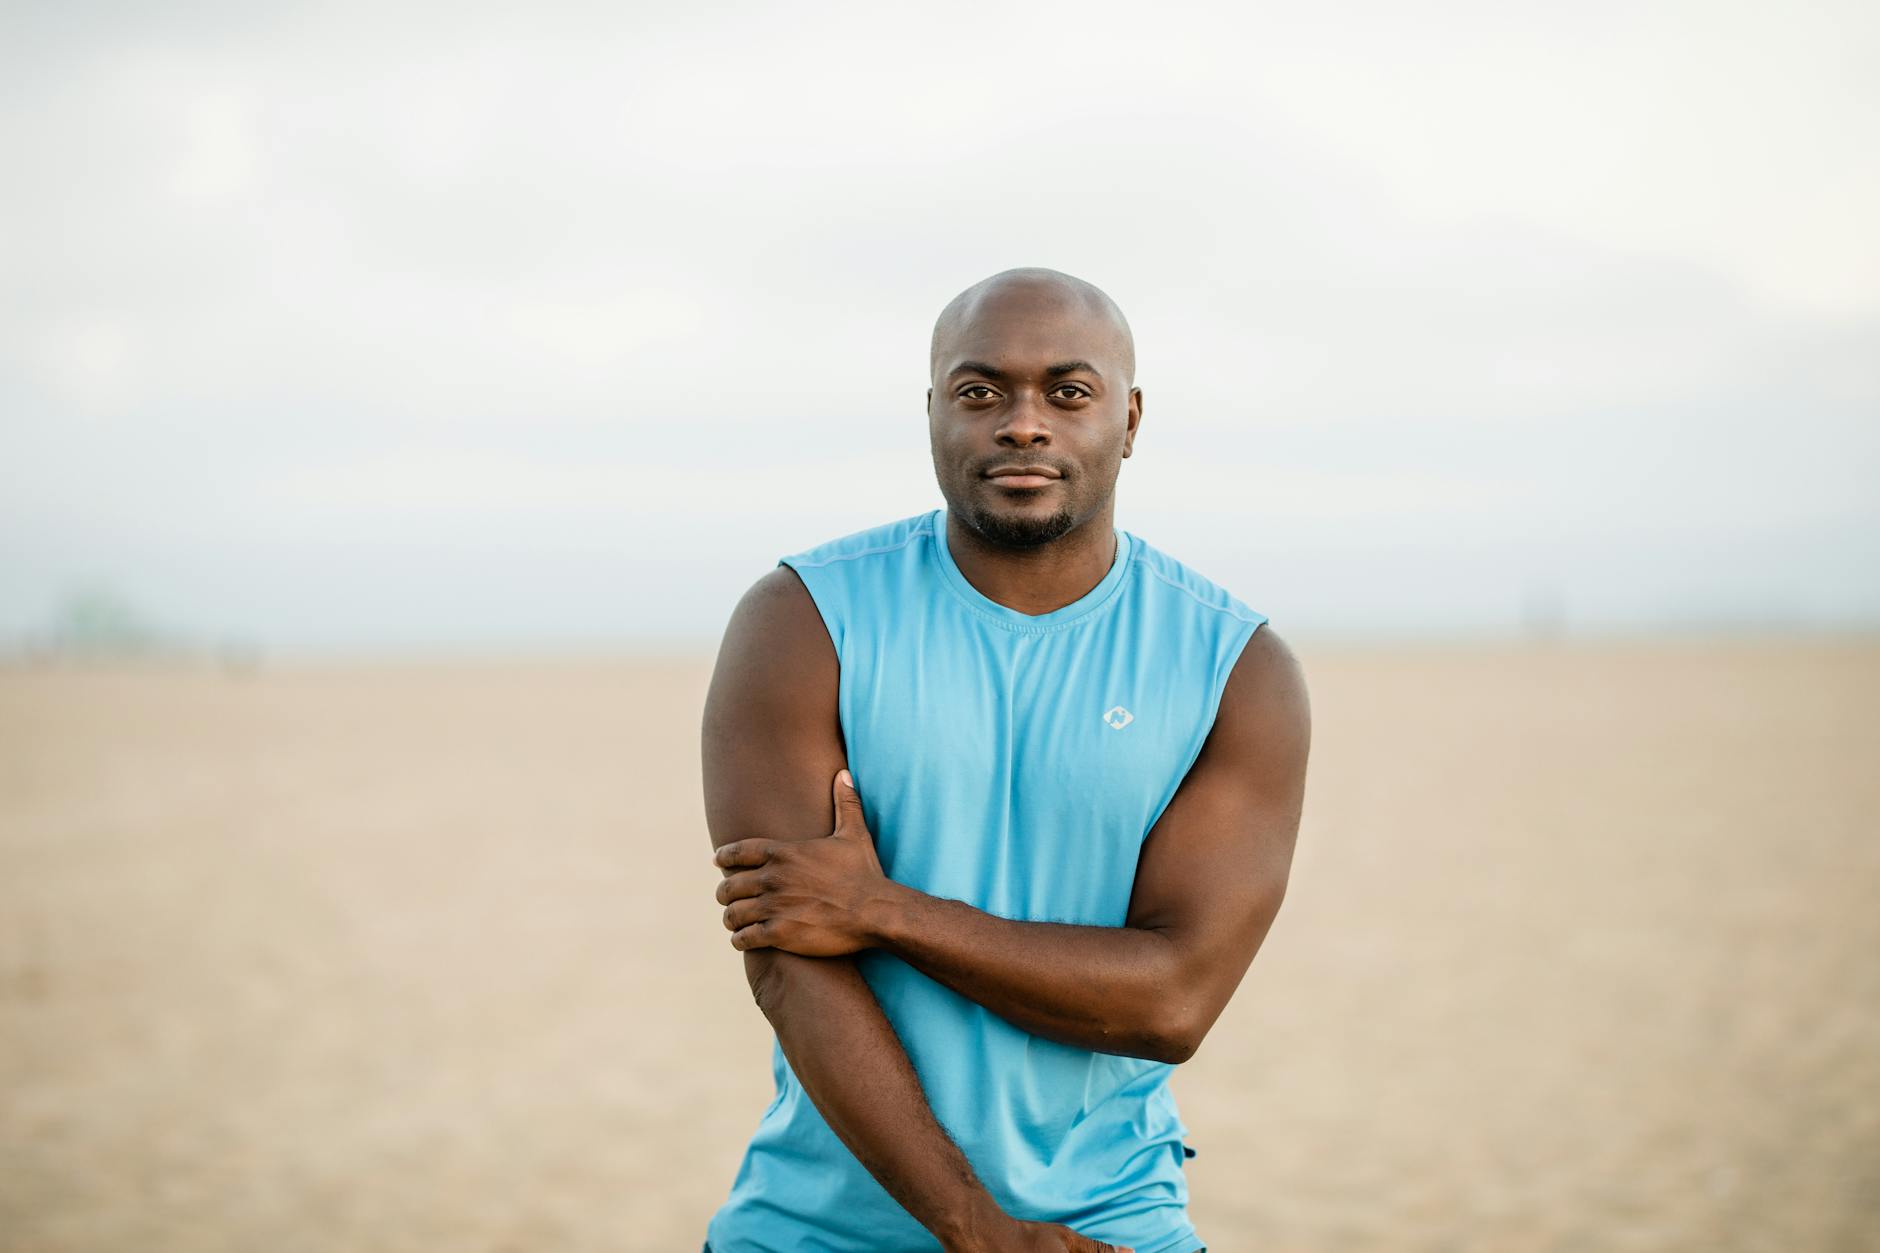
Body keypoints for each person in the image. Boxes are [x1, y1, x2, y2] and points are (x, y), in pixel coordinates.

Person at [699, 268, 1311, 1253]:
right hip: (814, 1228)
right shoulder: (803, 619)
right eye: (979, 391)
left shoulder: (1233, 667)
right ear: (932, 411)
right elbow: (788, 961)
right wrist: (974, 1228)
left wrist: (879, 907)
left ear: (1129, 417)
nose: (1021, 424)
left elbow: (1169, 1000)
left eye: (1067, 392)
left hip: (1111, 1225)